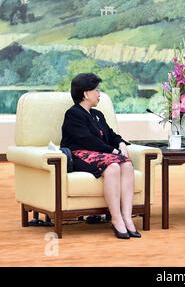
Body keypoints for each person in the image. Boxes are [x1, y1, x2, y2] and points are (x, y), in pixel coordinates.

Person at [60, 73, 140, 239]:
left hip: (100, 154)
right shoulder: (73, 114)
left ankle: (127, 217)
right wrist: (112, 151)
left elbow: (111, 135)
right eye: (96, 90)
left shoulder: (97, 115)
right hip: (79, 154)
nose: (99, 94)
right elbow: (86, 140)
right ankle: (116, 219)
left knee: (126, 164)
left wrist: (121, 144)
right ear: (85, 93)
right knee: (112, 167)